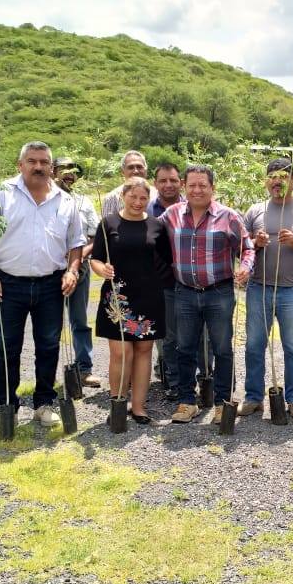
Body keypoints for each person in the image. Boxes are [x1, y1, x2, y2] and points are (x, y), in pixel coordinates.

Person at [0, 141, 85, 431]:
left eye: (44, 162)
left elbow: (76, 243)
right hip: (8, 283)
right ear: (20, 164)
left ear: (52, 167)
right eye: (32, 161)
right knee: (7, 347)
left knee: (48, 346)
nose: (38, 167)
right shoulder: (0, 194)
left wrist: (72, 271)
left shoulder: (66, 201)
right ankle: (5, 406)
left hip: (51, 284)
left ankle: (44, 404)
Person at [160, 165, 253, 424]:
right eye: (192, 185)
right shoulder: (171, 215)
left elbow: (247, 248)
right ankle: (187, 402)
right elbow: (151, 238)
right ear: (184, 187)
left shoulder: (229, 216)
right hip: (185, 293)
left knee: (222, 348)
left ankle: (223, 403)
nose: (197, 190)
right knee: (185, 348)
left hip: (219, 293)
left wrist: (245, 267)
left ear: (213, 187)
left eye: (203, 185)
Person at [241, 158, 293, 421]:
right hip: (259, 288)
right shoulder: (255, 210)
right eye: (273, 177)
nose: (278, 181)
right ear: (267, 181)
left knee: (292, 346)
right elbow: (241, 248)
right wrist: (256, 242)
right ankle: (253, 398)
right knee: (254, 345)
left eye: (283, 176)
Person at [90, 178, 173, 422]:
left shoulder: (157, 226)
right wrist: (100, 269)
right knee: (121, 352)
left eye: (143, 198)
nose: (138, 202)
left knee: (144, 349)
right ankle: (117, 404)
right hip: (118, 297)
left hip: (149, 296)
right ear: (123, 196)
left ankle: (138, 407)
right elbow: (95, 257)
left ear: (149, 200)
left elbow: (166, 261)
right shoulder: (108, 223)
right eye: (133, 197)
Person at [53, 157, 101, 388]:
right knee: (49, 322)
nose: (69, 174)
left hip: (79, 269)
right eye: (63, 169)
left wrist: (80, 256)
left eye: (73, 171)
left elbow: (94, 235)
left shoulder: (84, 202)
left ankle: (84, 369)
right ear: (53, 171)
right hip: (50, 269)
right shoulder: (45, 198)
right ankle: (49, 371)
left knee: (79, 320)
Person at [148, 161, 192, 401]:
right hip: (162, 284)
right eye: (163, 180)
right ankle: (172, 381)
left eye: (173, 180)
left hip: (191, 283)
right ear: (155, 183)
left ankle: (196, 379)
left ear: (181, 183)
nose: (168, 185)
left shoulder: (193, 208)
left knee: (195, 335)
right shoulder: (145, 209)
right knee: (168, 336)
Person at [100, 150, 150, 218]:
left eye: (139, 167)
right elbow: (106, 227)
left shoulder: (157, 195)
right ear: (123, 171)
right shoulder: (112, 198)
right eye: (131, 167)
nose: (135, 171)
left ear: (146, 170)